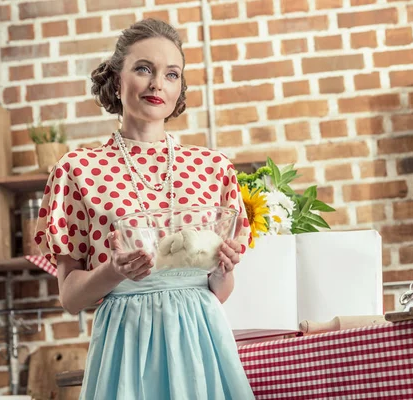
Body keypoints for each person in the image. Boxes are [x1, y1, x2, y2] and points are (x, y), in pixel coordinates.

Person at [34, 19, 255, 399]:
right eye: (143, 69)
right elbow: (71, 298)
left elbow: (217, 291)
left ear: (179, 89)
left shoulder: (214, 168)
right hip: (126, 343)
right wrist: (113, 271)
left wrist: (224, 269)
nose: (157, 84)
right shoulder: (75, 170)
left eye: (171, 74)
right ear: (116, 80)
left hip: (202, 342)